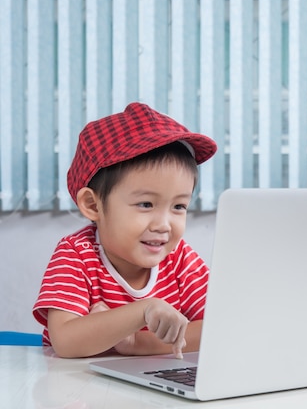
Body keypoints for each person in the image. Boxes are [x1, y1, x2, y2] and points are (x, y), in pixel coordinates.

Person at [32, 102, 217, 359]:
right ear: (93, 205)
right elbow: (66, 341)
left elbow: (220, 329)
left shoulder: (179, 259)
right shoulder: (77, 254)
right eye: (145, 204)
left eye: (178, 206)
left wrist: (137, 343)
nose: (163, 225)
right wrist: (145, 310)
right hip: (80, 390)